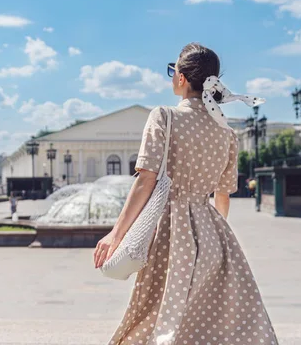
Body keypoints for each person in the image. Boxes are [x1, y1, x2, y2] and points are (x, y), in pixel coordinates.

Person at [95, 43, 279, 344]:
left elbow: (145, 181)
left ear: (181, 78)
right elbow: (222, 195)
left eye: (172, 71)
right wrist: (216, 236)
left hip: (172, 229)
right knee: (208, 321)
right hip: (213, 233)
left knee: (155, 315)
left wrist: (116, 234)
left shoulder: (164, 117)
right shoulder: (226, 132)